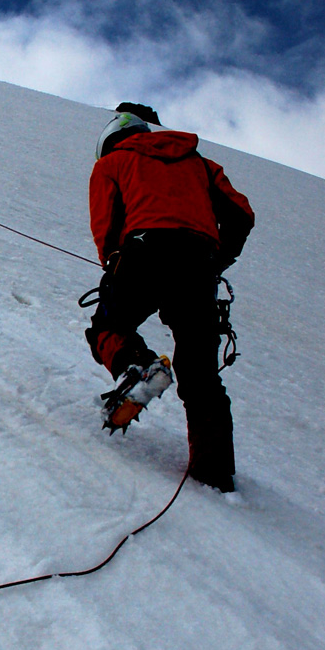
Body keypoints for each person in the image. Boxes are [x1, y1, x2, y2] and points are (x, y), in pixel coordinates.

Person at [85, 102, 254, 492]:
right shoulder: (199, 162)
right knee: (201, 374)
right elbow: (241, 214)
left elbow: (105, 222)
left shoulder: (111, 163)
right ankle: (214, 474)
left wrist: (113, 263)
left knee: (109, 326)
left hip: (144, 250)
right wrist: (216, 259)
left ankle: (138, 366)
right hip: (199, 262)